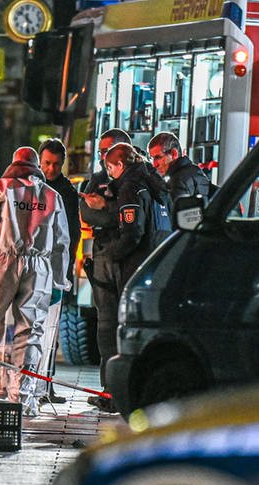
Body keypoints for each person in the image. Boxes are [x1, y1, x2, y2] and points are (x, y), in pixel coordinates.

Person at [0, 146, 70, 416]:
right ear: (37, 166)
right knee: (29, 333)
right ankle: (23, 397)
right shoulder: (52, 195)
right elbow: (61, 242)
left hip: (2, 264)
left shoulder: (2, 187)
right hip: (39, 268)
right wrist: (58, 281)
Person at [81, 142, 168, 412]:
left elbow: (132, 231)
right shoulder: (151, 182)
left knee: (112, 329)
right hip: (148, 267)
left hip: (129, 266)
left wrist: (110, 254)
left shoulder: (131, 186)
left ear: (119, 164)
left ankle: (114, 394)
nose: (108, 171)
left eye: (109, 166)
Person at [38, 137, 81, 404]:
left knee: (50, 329)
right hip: (29, 267)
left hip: (53, 267)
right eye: (46, 163)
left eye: (55, 164)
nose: (50, 169)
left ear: (62, 163)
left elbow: (73, 233)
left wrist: (64, 271)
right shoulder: (30, 186)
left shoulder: (66, 192)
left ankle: (47, 385)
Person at [146, 130, 215, 214]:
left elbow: (176, 216)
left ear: (174, 153)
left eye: (158, 157)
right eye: (152, 159)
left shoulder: (178, 180)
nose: (154, 164)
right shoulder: (195, 171)